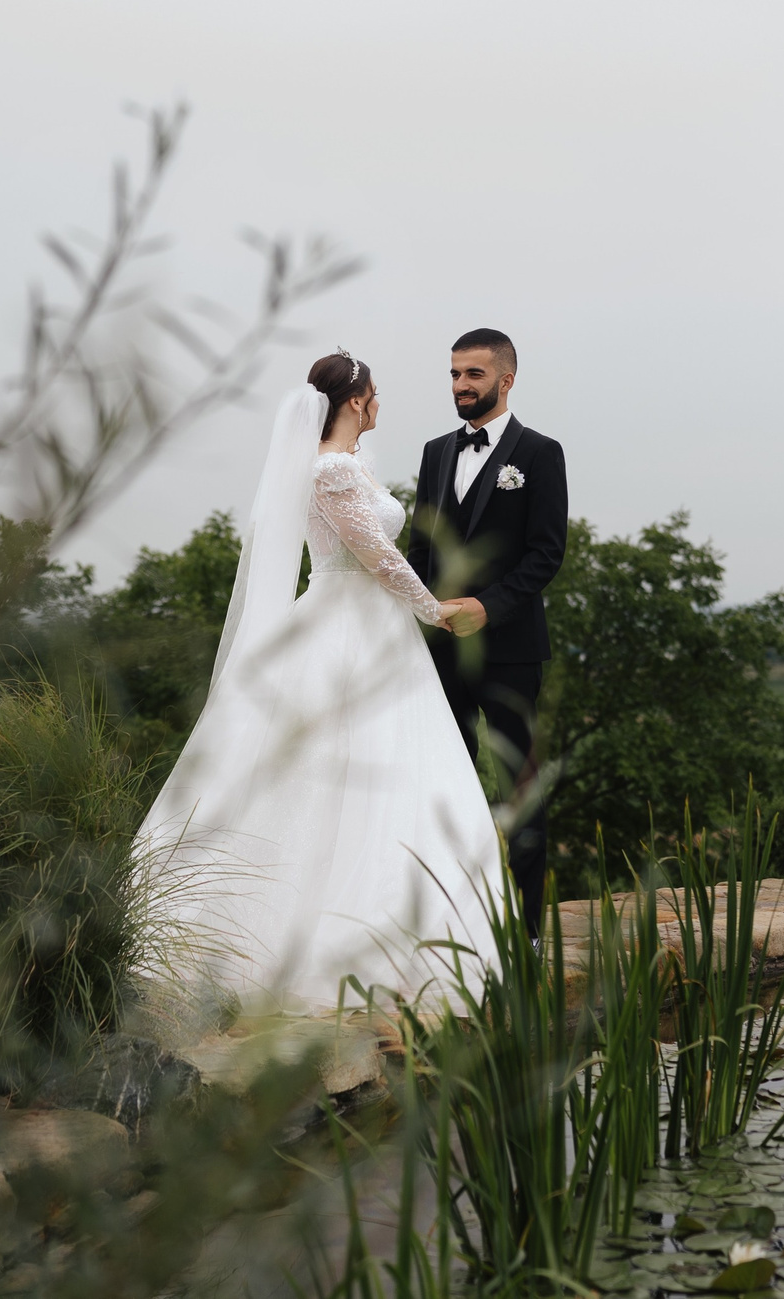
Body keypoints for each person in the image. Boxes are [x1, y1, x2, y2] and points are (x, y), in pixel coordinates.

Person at [131, 352, 505, 1018]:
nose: (381, 403)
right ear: (357, 401)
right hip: (346, 623)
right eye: (375, 393)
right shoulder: (331, 469)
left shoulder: (350, 464)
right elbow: (373, 553)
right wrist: (433, 608)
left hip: (373, 627)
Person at [405, 329, 568, 931]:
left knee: (518, 788)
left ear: (507, 378)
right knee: (439, 784)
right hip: (439, 651)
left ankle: (525, 930)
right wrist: (418, 611)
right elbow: (421, 548)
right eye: (454, 374)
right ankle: (450, 922)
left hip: (510, 653)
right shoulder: (434, 451)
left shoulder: (541, 453)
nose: (460, 386)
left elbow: (546, 554)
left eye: (473, 374)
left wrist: (488, 607)